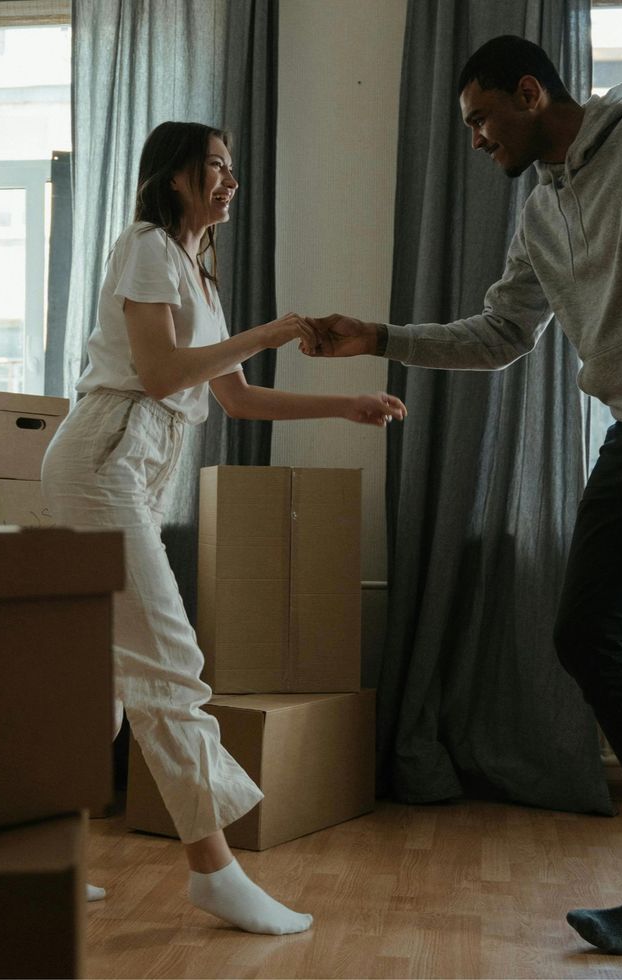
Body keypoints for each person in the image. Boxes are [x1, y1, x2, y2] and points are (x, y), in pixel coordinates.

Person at [298, 34, 622, 956]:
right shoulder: (541, 214)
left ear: (532, 92)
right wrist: (377, 334)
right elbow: (499, 335)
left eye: (484, 119)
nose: (479, 140)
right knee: (582, 631)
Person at [41, 120, 406, 935]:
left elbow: (235, 398)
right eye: (216, 167)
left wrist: (343, 405)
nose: (230, 182)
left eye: (232, 170)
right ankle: (214, 870)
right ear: (175, 177)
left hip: (134, 464)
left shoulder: (197, 278)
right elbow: (162, 373)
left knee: (99, 676)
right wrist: (272, 333)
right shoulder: (145, 245)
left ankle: (48, 861)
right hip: (104, 459)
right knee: (170, 660)